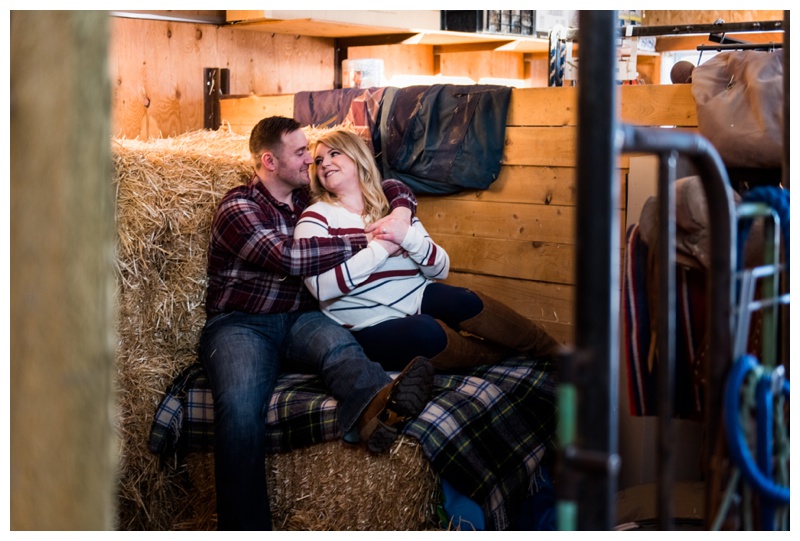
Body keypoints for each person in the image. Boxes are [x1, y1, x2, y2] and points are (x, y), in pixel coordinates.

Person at [198, 116, 434, 530]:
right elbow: (289, 258)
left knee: (340, 348)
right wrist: (368, 236)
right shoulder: (239, 206)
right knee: (238, 410)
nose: (311, 159)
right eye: (301, 152)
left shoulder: (307, 198)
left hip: (298, 317)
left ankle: (379, 412)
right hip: (241, 324)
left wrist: (397, 214)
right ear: (269, 161)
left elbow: (389, 185)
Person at [294, 128, 562, 372]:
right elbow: (321, 288)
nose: (324, 163)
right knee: (426, 332)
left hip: (416, 297)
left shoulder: (394, 208)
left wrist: (406, 236)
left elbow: (441, 268)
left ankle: (553, 351)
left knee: (465, 300)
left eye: (334, 153)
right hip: (367, 324)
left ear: (357, 157)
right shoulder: (316, 217)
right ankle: (498, 356)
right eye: (318, 161)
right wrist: (382, 248)